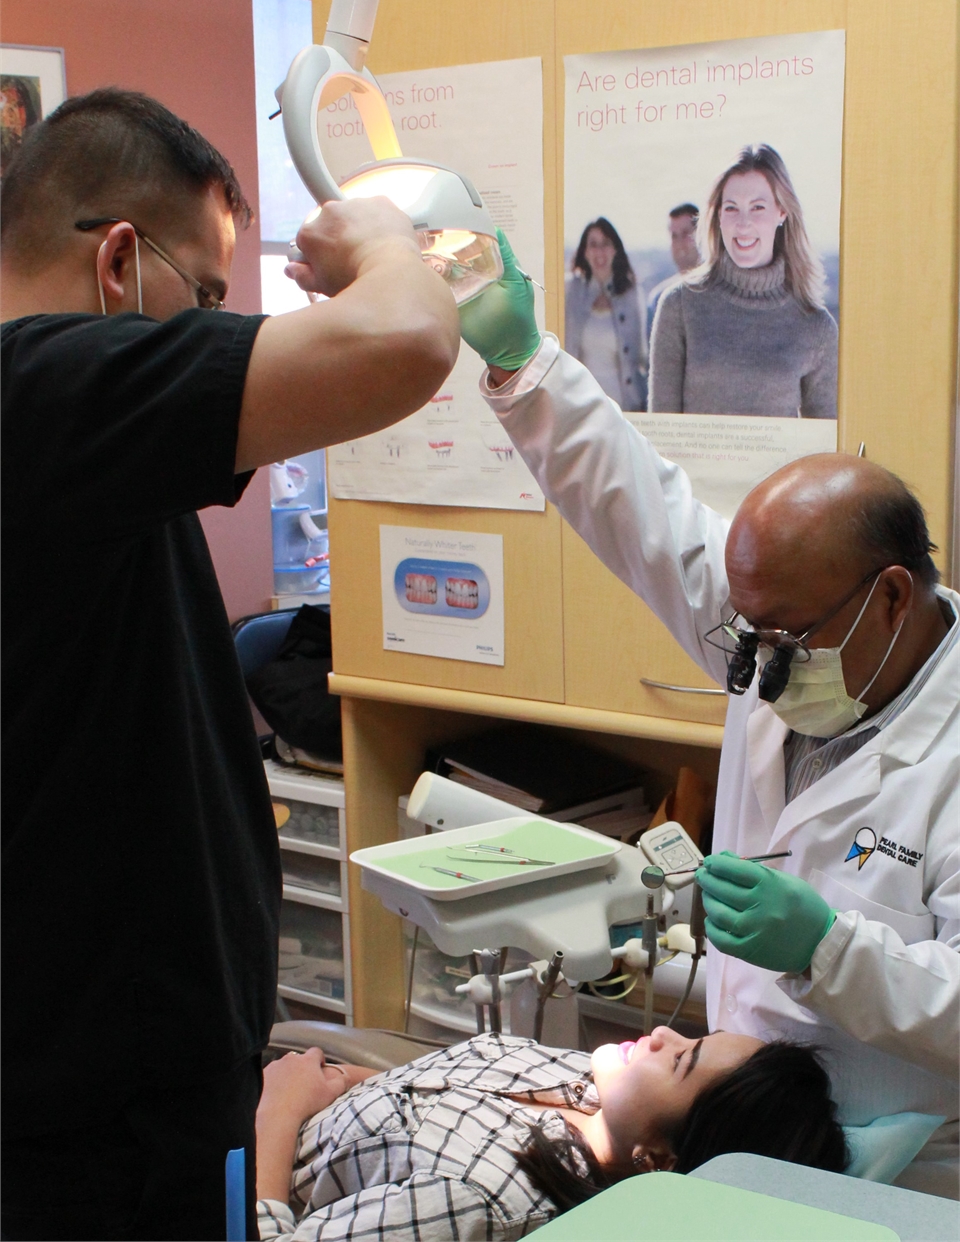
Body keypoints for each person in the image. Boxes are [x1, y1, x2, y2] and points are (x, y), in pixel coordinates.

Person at [0, 88, 460, 1242]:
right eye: (207, 295)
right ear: (119, 262)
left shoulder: (66, 439)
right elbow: (406, 341)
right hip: (84, 1133)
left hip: (120, 1091)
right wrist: (383, 236)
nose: (220, 322)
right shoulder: (35, 391)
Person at [457, 235, 959, 1197]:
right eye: (746, 632)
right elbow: (638, 509)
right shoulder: (783, 629)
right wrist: (523, 362)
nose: (756, 665)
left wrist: (829, 950)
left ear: (891, 598)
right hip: (729, 1128)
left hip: (901, 1168)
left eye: (781, 638)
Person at [253, 1030, 846, 1239]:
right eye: (694, 1036)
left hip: (242, 1162)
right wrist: (333, 1079)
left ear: (660, 1162)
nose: (662, 1034)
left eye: (680, 1062)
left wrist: (277, 1110)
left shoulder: (479, 1201)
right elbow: (428, 1084)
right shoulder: (589, 1084)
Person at [648, 144, 838, 417]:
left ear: (781, 211)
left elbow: (823, 453)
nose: (743, 223)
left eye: (758, 207)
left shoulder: (816, 327)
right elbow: (661, 440)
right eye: (732, 208)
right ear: (718, 216)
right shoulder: (679, 306)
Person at [564, 216, 647, 410]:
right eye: (593, 244)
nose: (599, 251)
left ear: (616, 250)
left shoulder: (632, 295)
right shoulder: (570, 291)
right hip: (581, 407)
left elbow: (642, 359)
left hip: (623, 406)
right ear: (584, 252)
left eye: (606, 244)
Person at [645, 201, 701, 339]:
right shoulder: (658, 299)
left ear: (700, 235)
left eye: (685, 234)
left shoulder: (719, 289)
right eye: (674, 236)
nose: (679, 243)